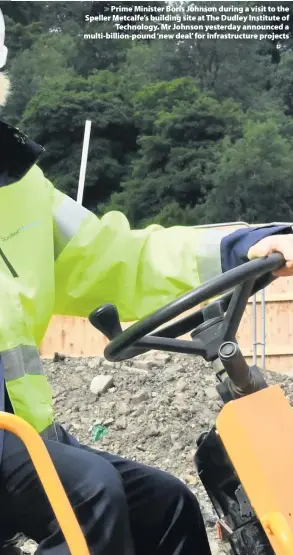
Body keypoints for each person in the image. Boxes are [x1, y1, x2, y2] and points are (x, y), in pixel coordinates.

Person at [1, 8, 293, 555]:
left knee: (166, 505)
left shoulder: (20, 187)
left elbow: (118, 257)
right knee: (92, 498)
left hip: (22, 438)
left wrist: (240, 248)